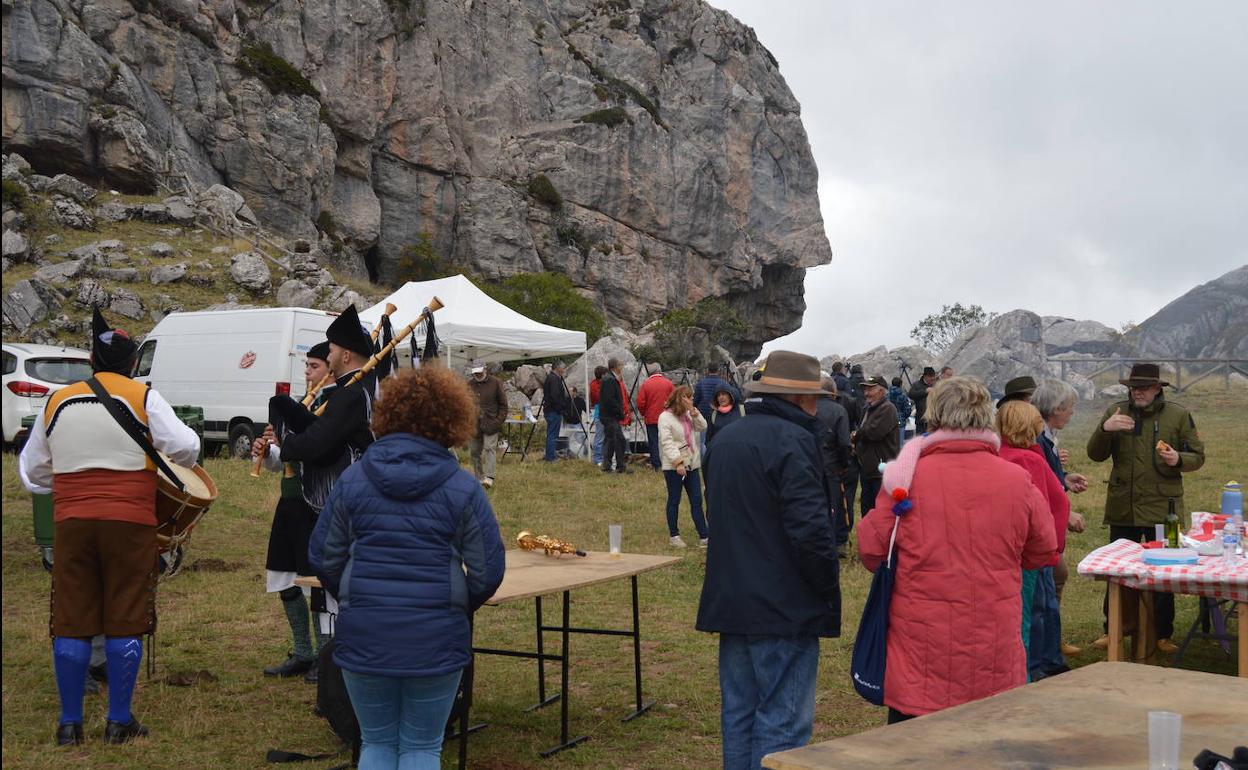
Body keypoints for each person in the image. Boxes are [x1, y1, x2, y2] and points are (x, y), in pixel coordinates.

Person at [309, 367, 506, 770]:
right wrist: (455, 604)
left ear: (387, 415)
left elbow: (325, 556)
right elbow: (487, 571)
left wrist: (353, 595)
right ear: (454, 419)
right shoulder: (463, 487)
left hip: (365, 631)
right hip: (436, 636)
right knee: (421, 748)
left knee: (377, 744)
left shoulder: (353, 480)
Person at [19, 308, 201, 745]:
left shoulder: (57, 400)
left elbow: (33, 474)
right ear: (133, 363)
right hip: (130, 521)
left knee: (71, 619)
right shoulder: (143, 398)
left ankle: (69, 724)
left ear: (91, 361)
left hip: (73, 523)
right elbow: (188, 448)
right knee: (125, 617)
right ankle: (118, 720)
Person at [858, 376, 1056, 723]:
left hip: (921, 644)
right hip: (993, 639)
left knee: (914, 751)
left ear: (933, 417)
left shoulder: (905, 479)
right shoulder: (1015, 479)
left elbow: (872, 550)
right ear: (985, 418)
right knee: (989, 746)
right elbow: (1043, 550)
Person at [697, 351, 840, 770]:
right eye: (814, 397)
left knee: (739, 715)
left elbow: (715, 513)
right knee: (783, 724)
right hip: (783, 604)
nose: (818, 405)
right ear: (799, 398)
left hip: (733, 597)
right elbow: (811, 533)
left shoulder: (727, 437)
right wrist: (825, 589)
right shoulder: (795, 441)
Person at [1086, 363, 1205, 654]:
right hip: (1123, 506)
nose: (1136, 392)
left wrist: (1178, 459)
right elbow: (1094, 454)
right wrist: (1105, 430)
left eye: (1142, 387)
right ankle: (1113, 628)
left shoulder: (1177, 415)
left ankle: (1161, 632)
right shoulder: (1115, 412)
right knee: (1118, 571)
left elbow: (1198, 456)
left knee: (1163, 571)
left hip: (1164, 509)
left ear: (1157, 388)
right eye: (1133, 387)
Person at [253, 341, 335, 682]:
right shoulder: (299, 405)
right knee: (284, 578)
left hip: (316, 505)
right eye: (306, 366)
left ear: (330, 369)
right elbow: (282, 461)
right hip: (289, 503)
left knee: (317, 584)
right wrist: (268, 451)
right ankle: (303, 651)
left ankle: (325, 657)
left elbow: (322, 454)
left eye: (314, 366)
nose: (307, 372)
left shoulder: (335, 406)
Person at [996, 400, 1071, 681]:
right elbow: (1040, 508)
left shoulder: (1005, 455)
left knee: (1036, 608)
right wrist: (1051, 548)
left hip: (1021, 548)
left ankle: (1042, 662)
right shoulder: (1027, 459)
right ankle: (1037, 667)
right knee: (1038, 609)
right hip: (1036, 551)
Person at [1032, 379, 1090, 656]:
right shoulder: (1037, 439)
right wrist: (1066, 513)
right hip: (1042, 526)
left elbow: (1048, 478)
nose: (1072, 413)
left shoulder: (1047, 436)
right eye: (1070, 407)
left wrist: (1064, 480)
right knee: (1053, 578)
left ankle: (1051, 638)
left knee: (1056, 577)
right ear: (1056, 408)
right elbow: (1036, 484)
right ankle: (1047, 643)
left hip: (1049, 523)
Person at [657, 385, 710, 548]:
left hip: (692, 464)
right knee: (674, 499)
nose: (692, 400)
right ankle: (674, 536)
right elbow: (667, 442)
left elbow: (703, 427)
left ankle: (704, 536)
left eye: (692, 398)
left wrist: (693, 411)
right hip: (675, 466)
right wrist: (678, 462)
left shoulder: (688, 414)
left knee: (696, 500)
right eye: (689, 397)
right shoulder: (665, 417)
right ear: (681, 399)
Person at [815, 376, 853, 558]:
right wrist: (845, 465)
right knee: (836, 504)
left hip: (810, 464)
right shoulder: (838, 411)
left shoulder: (807, 409)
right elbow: (844, 443)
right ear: (833, 392)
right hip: (831, 465)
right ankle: (837, 543)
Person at [853, 376, 899, 520]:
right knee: (867, 510)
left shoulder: (888, 408)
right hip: (868, 470)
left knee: (882, 512)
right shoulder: (868, 408)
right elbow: (863, 430)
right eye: (865, 389)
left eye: (870, 389)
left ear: (881, 391)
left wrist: (855, 435)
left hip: (882, 471)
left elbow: (872, 432)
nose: (866, 393)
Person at [467, 362, 508, 489]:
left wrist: (498, 421)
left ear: (485, 369)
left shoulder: (496, 382)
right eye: (475, 372)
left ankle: (489, 477)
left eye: (479, 371)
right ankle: (479, 477)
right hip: (474, 424)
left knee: (489, 448)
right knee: (474, 452)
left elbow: (503, 405)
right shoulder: (469, 384)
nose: (477, 374)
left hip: (491, 423)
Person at [635, 363, 675, 470]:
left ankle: (656, 464)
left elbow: (640, 402)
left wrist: (644, 413)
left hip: (651, 417)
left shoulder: (646, 384)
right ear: (660, 371)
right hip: (667, 418)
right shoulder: (669, 384)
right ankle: (668, 462)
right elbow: (675, 399)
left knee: (653, 442)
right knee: (667, 440)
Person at [599, 358, 630, 473]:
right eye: (620, 366)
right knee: (611, 440)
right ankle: (608, 466)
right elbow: (610, 400)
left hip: (611, 416)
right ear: (616, 367)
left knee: (618, 440)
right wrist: (619, 412)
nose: (621, 368)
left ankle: (620, 466)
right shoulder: (610, 380)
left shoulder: (610, 378)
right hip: (610, 416)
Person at [541, 361, 571, 462]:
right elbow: (555, 396)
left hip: (551, 410)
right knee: (552, 434)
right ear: (557, 368)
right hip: (553, 410)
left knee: (552, 433)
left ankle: (550, 454)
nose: (564, 369)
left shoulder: (553, 378)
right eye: (563, 367)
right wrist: (560, 409)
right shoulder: (554, 379)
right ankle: (551, 457)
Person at [588, 365, 608, 465]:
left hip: (600, 410)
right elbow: (597, 398)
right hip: (600, 411)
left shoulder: (593, 383)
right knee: (599, 437)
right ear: (603, 375)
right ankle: (597, 458)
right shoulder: (596, 385)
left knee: (603, 437)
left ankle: (603, 457)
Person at [908, 366, 936, 434]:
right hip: (921, 419)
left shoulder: (935, 384)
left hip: (933, 420)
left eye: (933, 376)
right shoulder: (917, 385)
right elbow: (911, 394)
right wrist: (925, 391)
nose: (932, 378)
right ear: (925, 376)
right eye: (930, 376)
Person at [887, 376, 913, 446]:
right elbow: (907, 410)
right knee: (900, 444)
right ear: (900, 385)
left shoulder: (887, 395)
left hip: (889, 421)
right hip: (900, 421)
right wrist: (904, 416)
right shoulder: (903, 396)